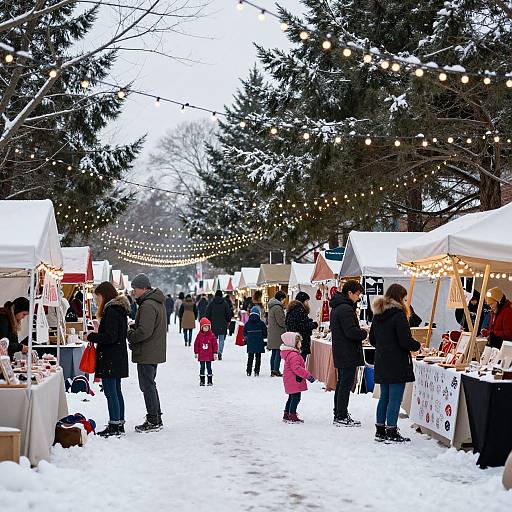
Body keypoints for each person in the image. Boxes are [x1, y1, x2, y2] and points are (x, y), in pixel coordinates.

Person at [369, 284, 421, 443]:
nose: (405, 301)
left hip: (382, 360)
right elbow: (405, 341)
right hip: (397, 362)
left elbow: (372, 339)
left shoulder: (378, 315)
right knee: (395, 398)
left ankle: (380, 430)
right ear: (399, 298)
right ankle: (391, 430)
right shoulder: (399, 315)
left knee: (384, 396)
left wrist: (385, 346)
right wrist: (417, 345)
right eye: (404, 298)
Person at [86, 282, 130, 437]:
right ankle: (119, 422)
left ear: (104, 295)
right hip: (117, 356)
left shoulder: (111, 311)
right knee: (116, 391)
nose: (97, 300)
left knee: (111, 392)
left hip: (111, 357)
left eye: (97, 296)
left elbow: (110, 336)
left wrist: (91, 336)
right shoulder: (119, 310)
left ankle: (115, 425)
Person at [127, 273, 167, 433]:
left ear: (143, 288)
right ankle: (155, 416)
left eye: (135, 289)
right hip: (152, 350)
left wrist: (130, 333)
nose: (133, 292)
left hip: (147, 351)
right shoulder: (155, 303)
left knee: (147, 386)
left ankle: (153, 420)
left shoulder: (148, 305)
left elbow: (144, 331)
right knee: (150, 385)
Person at [329, 281, 367, 427]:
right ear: (350, 293)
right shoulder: (345, 309)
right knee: (345, 384)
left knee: (342, 383)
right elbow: (351, 331)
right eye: (357, 294)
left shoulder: (339, 307)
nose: (358, 298)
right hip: (347, 352)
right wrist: (364, 332)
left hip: (342, 350)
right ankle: (341, 415)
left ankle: (339, 413)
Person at [280, 332, 316, 423]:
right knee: (296, 398)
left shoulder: (291, 353)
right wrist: (308, 376)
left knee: (291, 397)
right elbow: (297, 368)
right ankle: (292, 415)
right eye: (299, 342)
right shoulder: (293, 355)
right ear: (293, 343)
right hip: (294, 379)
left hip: (291, 379)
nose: (301, 343)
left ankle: (287, 414)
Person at [285, 291, 318, 361]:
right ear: (302, 301)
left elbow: (297, 323)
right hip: (300, 342)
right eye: (306, 301)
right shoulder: (300, 310)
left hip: (293, 341)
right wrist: (314, 325)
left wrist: (308, 321)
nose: (307, 303)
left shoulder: (291, 310)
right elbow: (303, 326)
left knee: (294, 363)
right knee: (300, 363)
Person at [206, 290, 233, 360]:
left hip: (213, 324)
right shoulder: (225, 303)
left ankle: (214, 351)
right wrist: (228, 320)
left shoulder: (211, 303)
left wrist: (208, 321)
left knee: (214, 339)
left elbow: (207, 313)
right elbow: (228, 314)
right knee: (221, 339)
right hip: (222, 324)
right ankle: (219, 352)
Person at [267, 290, 287, 376]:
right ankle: (276, 370)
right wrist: (286, 323)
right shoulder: (278, 308)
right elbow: (281, 321)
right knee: (278, 352)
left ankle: (273, 369)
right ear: (281, 298)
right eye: (284, 299)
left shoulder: (272, 306)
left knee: (274, 352)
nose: (284, 301)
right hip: (278, 333)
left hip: (273, 332)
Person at [194, 318, 218, 386]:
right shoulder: (199, 336)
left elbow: (215, 345)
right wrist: (196, 352)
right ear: (201, 328)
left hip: (209, 355)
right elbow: (196, 344)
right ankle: (202, 380)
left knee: (209, 367)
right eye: (204, 327)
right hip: (202, 355)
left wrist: (215, 353)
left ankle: (210, 380)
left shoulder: (212, 335)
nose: (206, 328)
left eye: (207, 327)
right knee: (202, 368)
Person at [243, 306, 267, 376]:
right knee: (258, 357)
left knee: (250, 357)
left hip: (250, 342)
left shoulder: (247, 323)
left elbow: (244, 332)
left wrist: (247, 337)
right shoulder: (261, 323)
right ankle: (257, 371)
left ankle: (249, 370)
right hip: (259, 342)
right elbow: (265, 333)